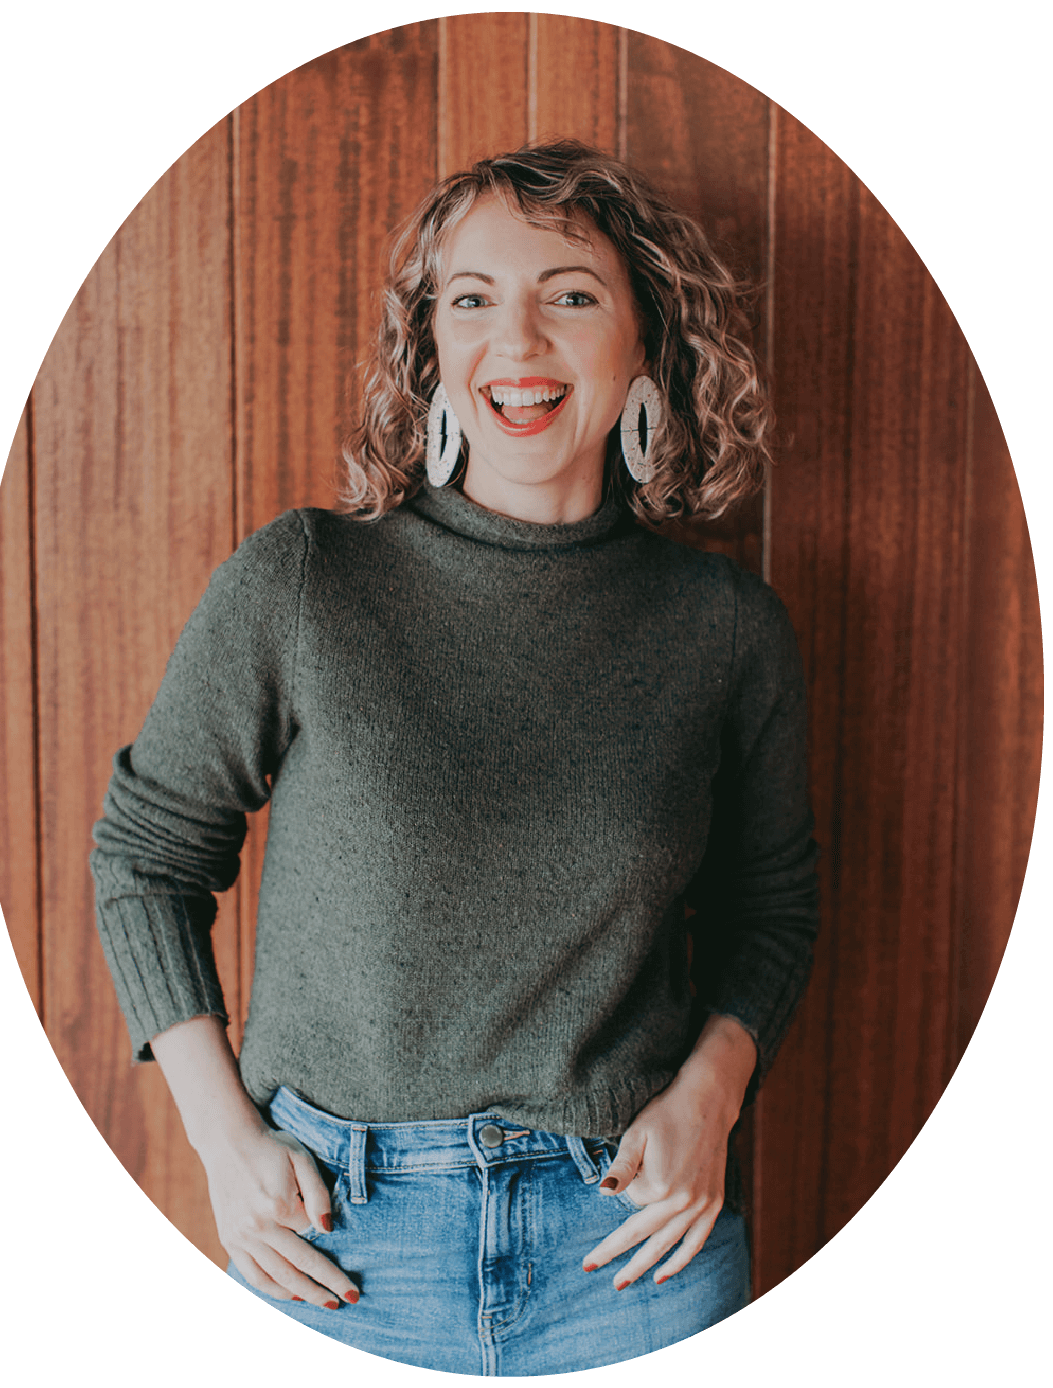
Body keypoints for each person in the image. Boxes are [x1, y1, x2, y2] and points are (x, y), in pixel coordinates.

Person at [91, 140, 819, 1374]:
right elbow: (146, 858)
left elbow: (773, 907)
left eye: (569, 295)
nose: (515, 341)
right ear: (430, 346)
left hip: (630, 1246)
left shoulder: (726, 628)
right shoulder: (307, 580)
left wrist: (711, 1094)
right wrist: (223, 1142)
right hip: (337, 1242)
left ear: (647, 339)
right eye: (471, 298)